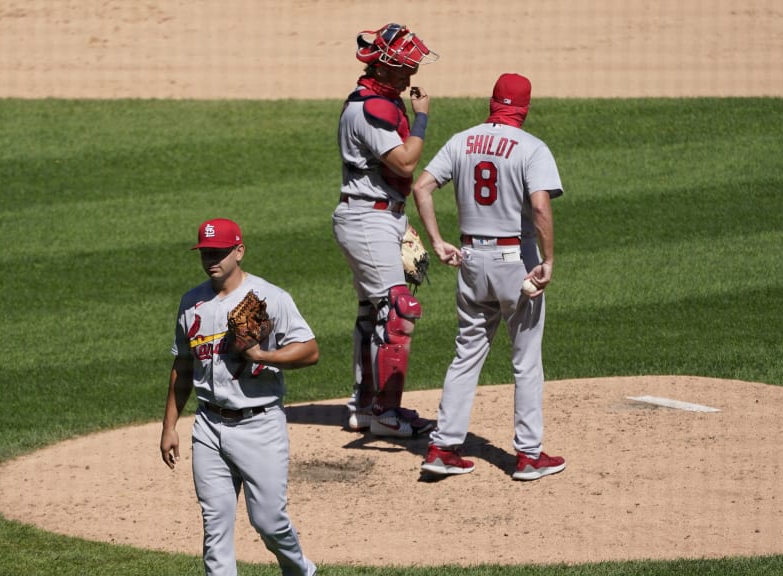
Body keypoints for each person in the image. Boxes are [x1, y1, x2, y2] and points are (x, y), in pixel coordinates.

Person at [411, 73, 567, 481]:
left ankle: (443, 448)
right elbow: (539, 207)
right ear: (525, 107)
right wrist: (547, 260)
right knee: (526, 361)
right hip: (517, 262)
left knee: (466, 354)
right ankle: (529, 456)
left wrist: (437, 240)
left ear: (492, 102)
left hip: (470, 261)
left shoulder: (462, 140)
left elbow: (422, 187)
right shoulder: (532, 148)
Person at [160, 218, 319, 575]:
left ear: (239, 251)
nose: (210, 259)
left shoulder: (270, 298)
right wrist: (170, 426)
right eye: (205, 252)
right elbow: (182, 367)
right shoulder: (191, 303)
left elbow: (310, 351)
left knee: (269, 523)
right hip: (208, 426)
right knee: (215, 528)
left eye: (218, 252)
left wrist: (264, 356)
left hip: (259, 425)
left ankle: (301, 571)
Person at [333, 23, 438, 437]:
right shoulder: (370, 109)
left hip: (379, 215)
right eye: (405, 68)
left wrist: (399, 221)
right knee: (399, 312)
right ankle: (385, 414)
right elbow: (406, 163)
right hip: (366, 218)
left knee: (373, 312)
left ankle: (364, 407)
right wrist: (423, 118)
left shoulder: (375, 102)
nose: (411, 75)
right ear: (385, 67)